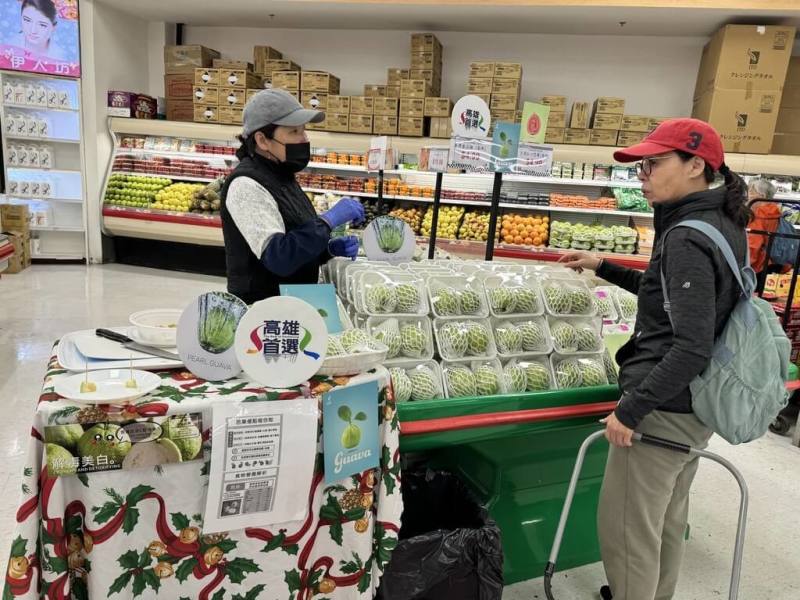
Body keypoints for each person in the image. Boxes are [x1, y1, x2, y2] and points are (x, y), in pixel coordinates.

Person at [560, 118, 751, 600]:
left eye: (653, 164)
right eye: (640, 166)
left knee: (628, 529)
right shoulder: (720, 221)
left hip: (663, 407)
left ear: (695, 165)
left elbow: (690, 344)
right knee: (666, 518)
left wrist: (631, 409)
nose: (642, 175)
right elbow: (665, 294)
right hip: (695, 404)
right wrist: (603, 266)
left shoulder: (687, 236)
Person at [221, 89, 365, 304]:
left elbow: (295, 237)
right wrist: (328, 220)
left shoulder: (281, 175)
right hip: (264, 309)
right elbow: (279, 257)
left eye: (304, 130)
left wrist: (327, 249)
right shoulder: (246, 185)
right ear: (262, 140)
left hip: (292, 303)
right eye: (294, 131)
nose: (304, 139)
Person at [746, 177, 782, 290]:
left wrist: (744, 265)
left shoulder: (758, 215)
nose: (748, 195)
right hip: (774, 263)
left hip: (758, 267)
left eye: (752, 191)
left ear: (762, 195)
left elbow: (753, 246)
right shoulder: (774, 212)